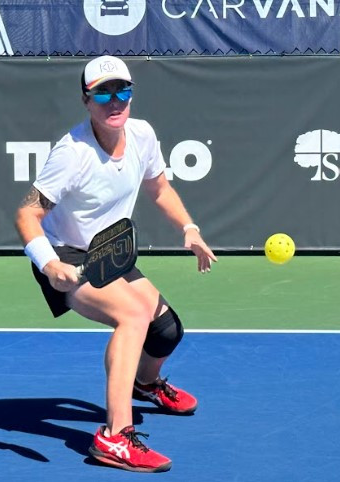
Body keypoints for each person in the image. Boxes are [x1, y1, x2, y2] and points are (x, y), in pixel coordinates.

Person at [14, 55, 217, 473]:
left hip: (109, 250)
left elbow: (160, 188)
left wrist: (189, 228)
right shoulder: (72, 153)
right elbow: (26, 214)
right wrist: (50, 265)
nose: (115, 101)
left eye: (122, 90)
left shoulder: (142, 135)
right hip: (66, 254)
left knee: (166, 330)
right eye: (103, 93)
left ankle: (146, 383)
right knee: (132, 316)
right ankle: (114, 437)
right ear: (86, 101)